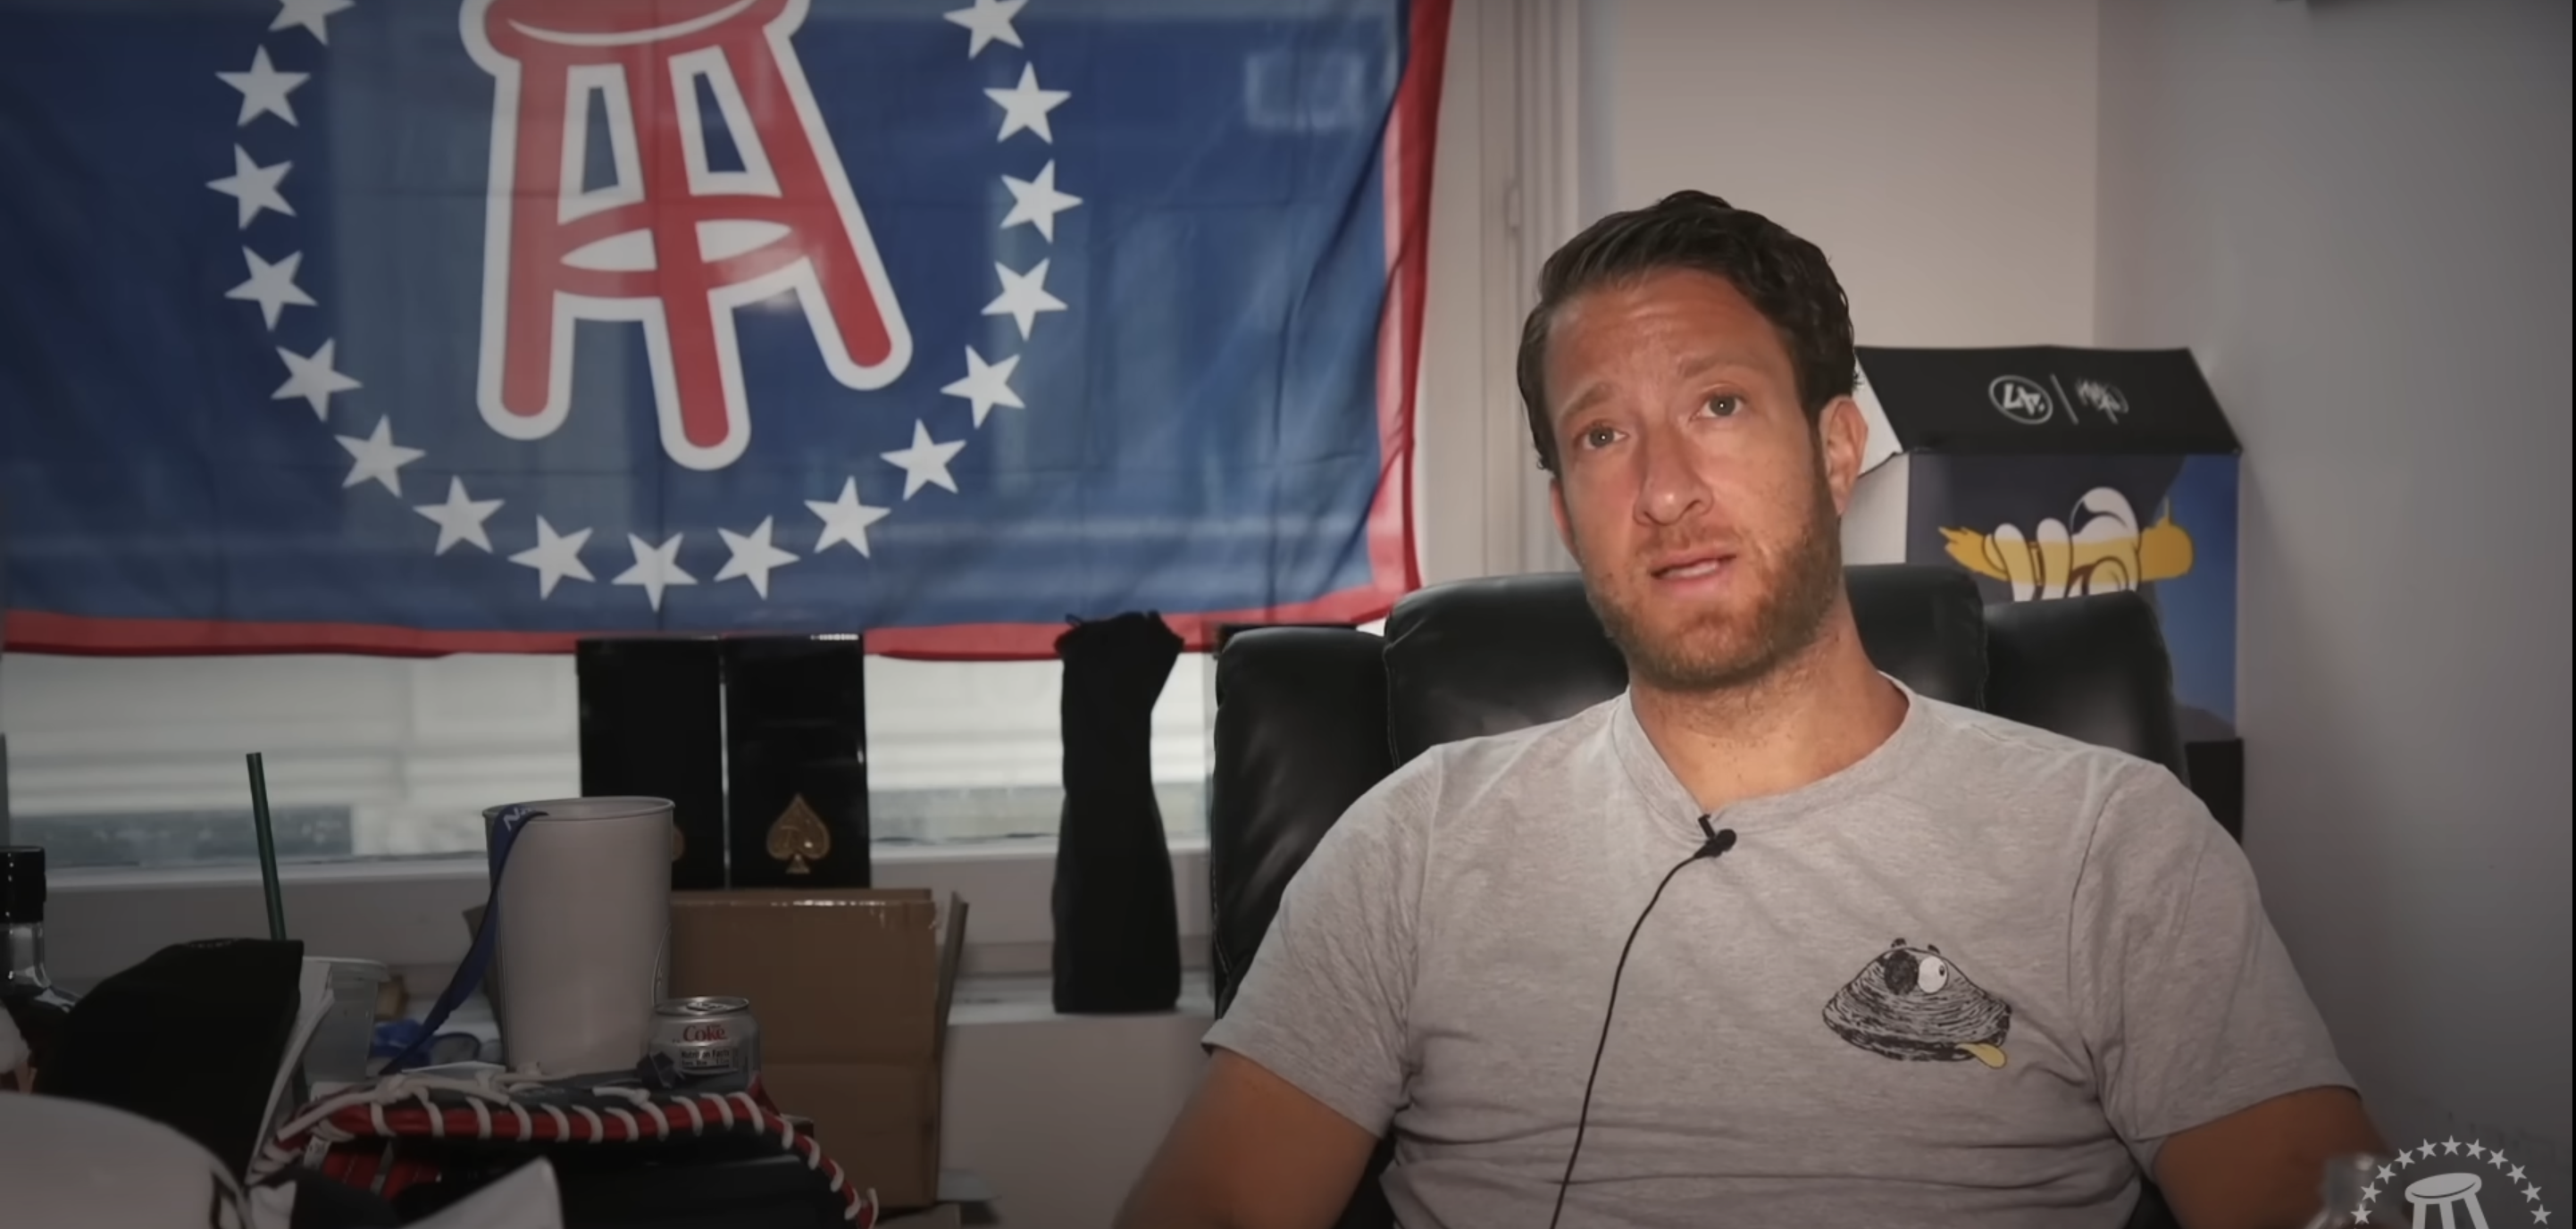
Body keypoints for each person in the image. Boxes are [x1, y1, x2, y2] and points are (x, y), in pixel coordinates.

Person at [1115, 191, 2382, 1229]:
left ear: (1836, 449)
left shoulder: (2114, 841)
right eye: (1603, 436)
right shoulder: (1419, 842)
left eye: (1719, 407)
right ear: (1567, 511)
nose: (1665, 491)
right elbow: (1219, 1201)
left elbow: (2301, 1193)